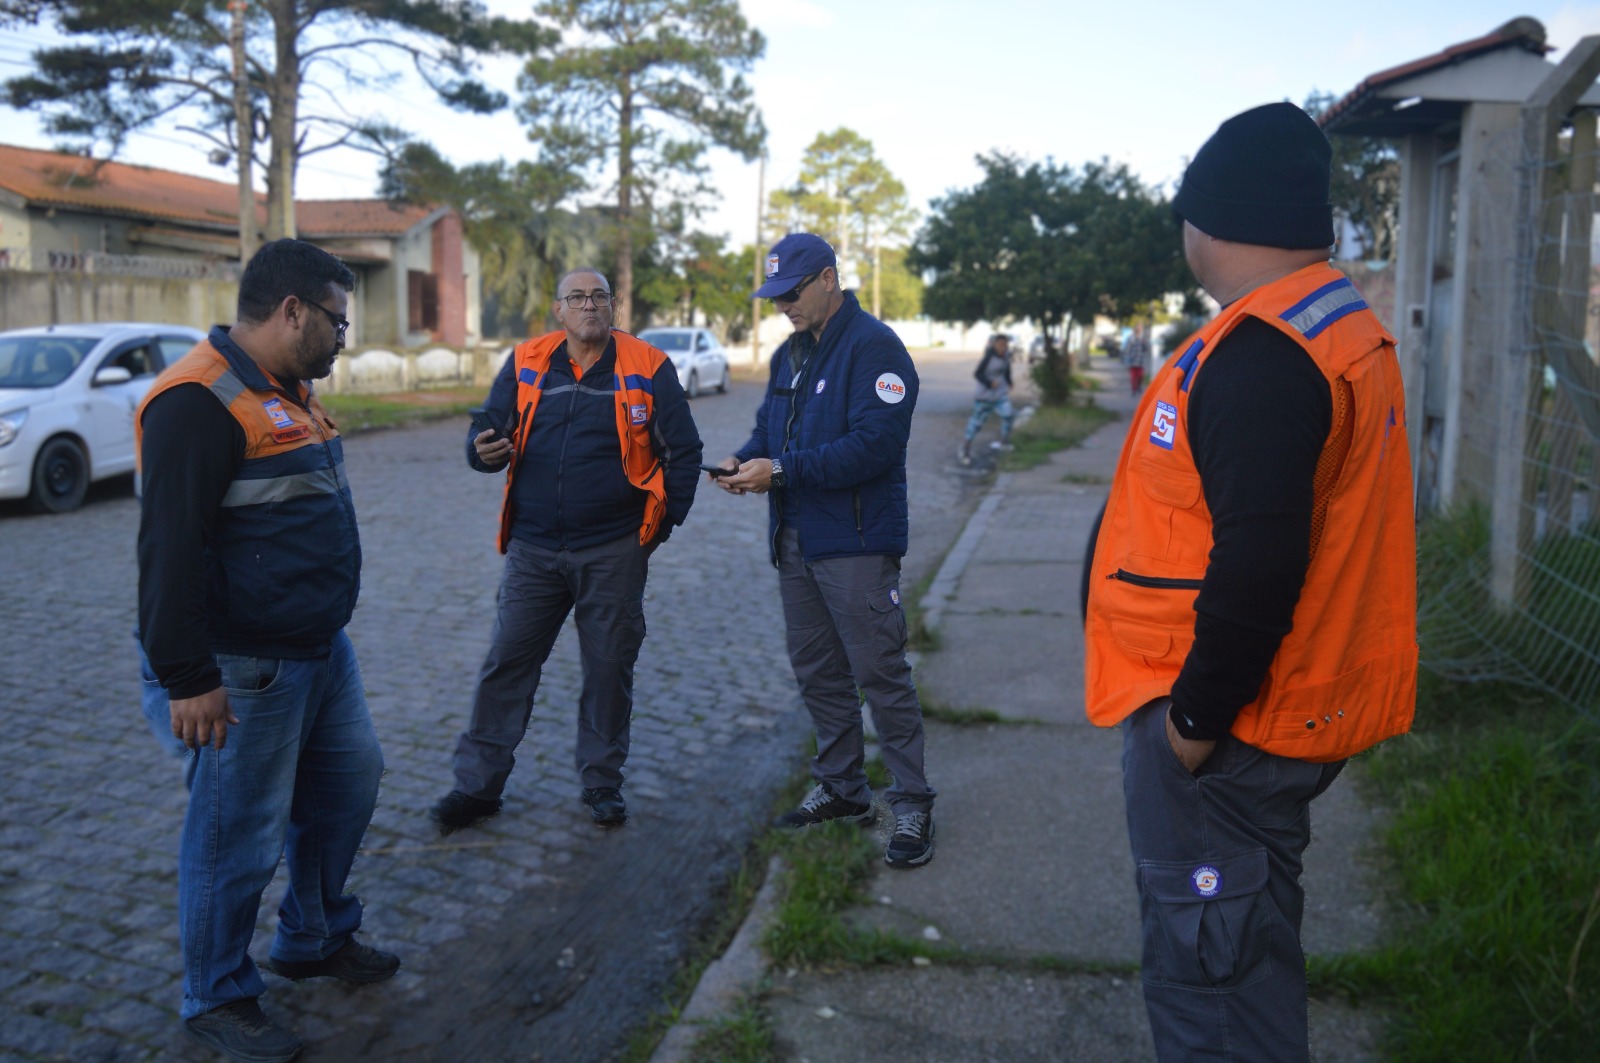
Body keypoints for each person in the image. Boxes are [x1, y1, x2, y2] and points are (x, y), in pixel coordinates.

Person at [1083, 102, 1417, 1062]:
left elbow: (1260, 559)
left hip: (1226, 732)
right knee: (1247, 949)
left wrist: (1191, 724)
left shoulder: (1263, 355)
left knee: (1213, 993)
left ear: (1215, 222)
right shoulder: (1323, 323)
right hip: (1272, 717)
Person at [137, 238, 396, 1063]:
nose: (343, 337)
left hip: (318, 647)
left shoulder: (285, 389)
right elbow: (168, 552)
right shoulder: (198, 402)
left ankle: (313, 935)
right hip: (242, 665)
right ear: (293, 313)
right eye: (337, 320)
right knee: (234, 834)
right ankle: (216, 993)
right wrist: (188, 677)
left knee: (350, 784)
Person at [430, 267, 702, 834]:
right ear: (559, 309)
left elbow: (686, 453)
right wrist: (480, 450)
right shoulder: (529, 358)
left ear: (613, 307)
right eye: (577, 297)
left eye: (599, 297)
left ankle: (602, 782)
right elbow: (487, 426)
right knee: (507, 664)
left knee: (608, 669)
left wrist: (653, 533)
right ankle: (477, 786)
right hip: (533, 550)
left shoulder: (648, 366)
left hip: (613, 549)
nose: (589, 306)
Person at [713, 233, 936, 869]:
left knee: (880, 672)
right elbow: (768, 430)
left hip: (857, 542)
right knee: (818, 670)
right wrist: (743, 458)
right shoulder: (791, 354)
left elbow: (875, 447)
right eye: (775, 295)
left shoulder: (876, 348)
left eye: (792, 292)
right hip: (796, 540)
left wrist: (778, 472)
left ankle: (913, 801)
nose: (782, 304)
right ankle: (844, 789)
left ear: (829, 279)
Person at [959, 333, 1015, 464]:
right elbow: (977, 374)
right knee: (977, 423)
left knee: (1008, 415)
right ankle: (965, 447)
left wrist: (1009, 381)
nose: (1003, 347)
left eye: (1005, 345)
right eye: (1000, 344)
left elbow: (1006, 371)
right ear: (994, 345)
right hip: (985, 395)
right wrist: (989, 383)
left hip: (1000, 394)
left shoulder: (1006, 357)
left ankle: (1004, 441)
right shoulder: (988, 358)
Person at [1121, 324, 1151, 394]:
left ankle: (1138, 387)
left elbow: (1147, 348)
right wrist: (1127, 359)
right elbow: (1127, 349)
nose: (1139, 330)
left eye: (1140, 329)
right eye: (1138, 329)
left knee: (1140, 376)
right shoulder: (1131, 338)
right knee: (1133, 377)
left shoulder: (1143, 338)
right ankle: (1133, 389)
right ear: (1135, 330)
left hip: (1140, 361)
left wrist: (1145, 344)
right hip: (1132, 361)